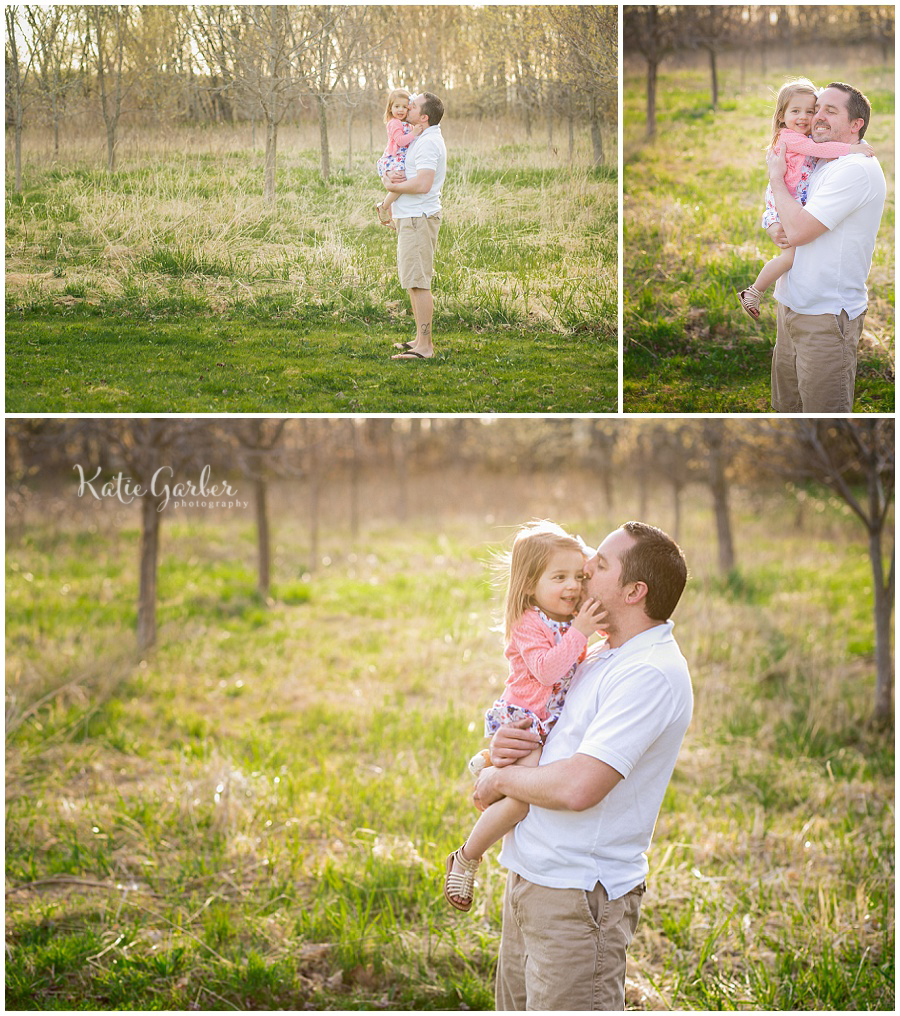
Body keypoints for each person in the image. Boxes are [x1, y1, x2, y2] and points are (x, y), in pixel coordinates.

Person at [473, 521, 692, 1011]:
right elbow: (545, 722)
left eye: (601, 564)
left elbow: (579, 787)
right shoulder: (597, 654)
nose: (585, 570)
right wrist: (503, 745)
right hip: (531, 877)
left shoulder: (650, 673)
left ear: (635, 591)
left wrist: (497, 779)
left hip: (578, 898)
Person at [444, 521, 607, 912]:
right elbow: (548, 670)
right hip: (525, 721)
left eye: (577, 577)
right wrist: (582, 631)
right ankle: (467, 856)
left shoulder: (566, 620)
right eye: (559, 577)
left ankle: (487, 764)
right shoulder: (528, 623)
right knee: (520, 802)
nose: (572, 586)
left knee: (523, 787)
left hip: (545, 725)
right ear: (531, 584)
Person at [763, 81, 886, 413]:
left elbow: (800, 231)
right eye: (817, 108)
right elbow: (785, 206)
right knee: (787, 412)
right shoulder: (817, 158)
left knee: (822, 418)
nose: (816, 116)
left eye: (830, 111)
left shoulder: (855, 170)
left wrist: (775, 180)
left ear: (856, 124)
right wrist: (772, 221)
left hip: (826, 315)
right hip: (791, 304)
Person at [739, 78, 873, 320]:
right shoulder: (790, 137)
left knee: (788, 258)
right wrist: (851, 149)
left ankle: (755, 291)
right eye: (796, 111)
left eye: (810, 111)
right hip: (785, 200)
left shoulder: (815, 142)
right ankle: (754, 291)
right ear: (781, 116)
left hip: (789, 201)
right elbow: (818, 150)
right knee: (787, 257)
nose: (806, 117)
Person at [381, 92, 447, 362]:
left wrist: (392, 186)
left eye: (414, 105)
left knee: (419, 282)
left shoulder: (429, 143)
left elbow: (423, 184)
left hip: (419, 218)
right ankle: (419, 339)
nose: (408, 106)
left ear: (424, 116)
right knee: (412, 279)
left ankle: (426, 347)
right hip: (411, 217)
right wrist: (386, 201)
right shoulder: (419, 137)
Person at [373, 88, 422, 230]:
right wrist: (414, 133)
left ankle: (391, 213)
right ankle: (384, 206)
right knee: (401, 183)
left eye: (404, 107)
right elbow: (400, 141)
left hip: (401, 158)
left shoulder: (407, 122)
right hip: (394, 158)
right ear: (390, 108)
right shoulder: (394, 123)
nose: (400, 110)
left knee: (402, 184)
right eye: (396, 106)